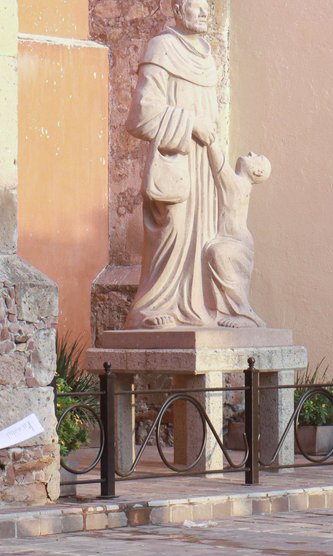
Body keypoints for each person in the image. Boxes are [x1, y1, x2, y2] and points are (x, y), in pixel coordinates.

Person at [124, 0, 221, 329]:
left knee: (205, 238)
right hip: (174, 160)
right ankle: (155, 306)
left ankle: (199, 308)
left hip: (205, 169)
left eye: (207, 6)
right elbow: (141, 115)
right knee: (173, 231)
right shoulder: (161, 48)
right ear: (177, 11)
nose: (205, 11)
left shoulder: (208, 59)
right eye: (196, 5)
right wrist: (190, 124)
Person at [204, 145, 271, 327]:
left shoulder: (240, 185)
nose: (252, 153)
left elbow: (220, 168)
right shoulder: (240, 184)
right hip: (232, 239)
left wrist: (210, 140)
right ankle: (230, 311)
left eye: (258, 156)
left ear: (257, 172)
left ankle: (247, 316)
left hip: (236, 242)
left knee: (218, 253)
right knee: (217, 255)